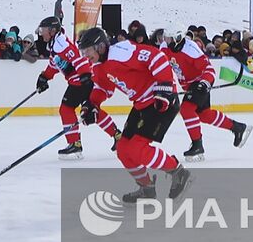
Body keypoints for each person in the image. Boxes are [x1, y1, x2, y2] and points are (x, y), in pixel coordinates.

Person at [77, 26, 192, 203]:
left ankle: (179, 173)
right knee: (123, 149)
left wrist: (165, 86)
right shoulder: (99, 66)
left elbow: (157, 57)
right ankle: (146, 188)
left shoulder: (122, 52)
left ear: (100, 46)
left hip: (160, 101)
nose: (85, 56)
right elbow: (103, 88)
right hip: (141, 105)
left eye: (87, 51)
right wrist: (92, 105)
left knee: (138, 150)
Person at [162, 25, 252, 160]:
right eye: (166, 38)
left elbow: (209, 69)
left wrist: (205, 83)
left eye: (169, 38)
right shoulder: (164, 47)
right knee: (204, 115)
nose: (166, 41)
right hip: (188, 85)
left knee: (186, 110)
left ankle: (197, 145)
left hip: (199, 83)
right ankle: (238, 127)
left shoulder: (190, 49)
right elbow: (161, 66)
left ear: (177, 38)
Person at [34, 16, 118, 159]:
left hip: (80, 81)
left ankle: (74, 144)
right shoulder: (56, 44)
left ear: (53, 30)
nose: (41, 33)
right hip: (80, 80)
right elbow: (56, 63)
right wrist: (45, 77)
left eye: (44, 30)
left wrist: (84, 74)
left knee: (66, 109)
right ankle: (118, 135)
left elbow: (77, 59)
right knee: (90, 110)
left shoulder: (61, 44)